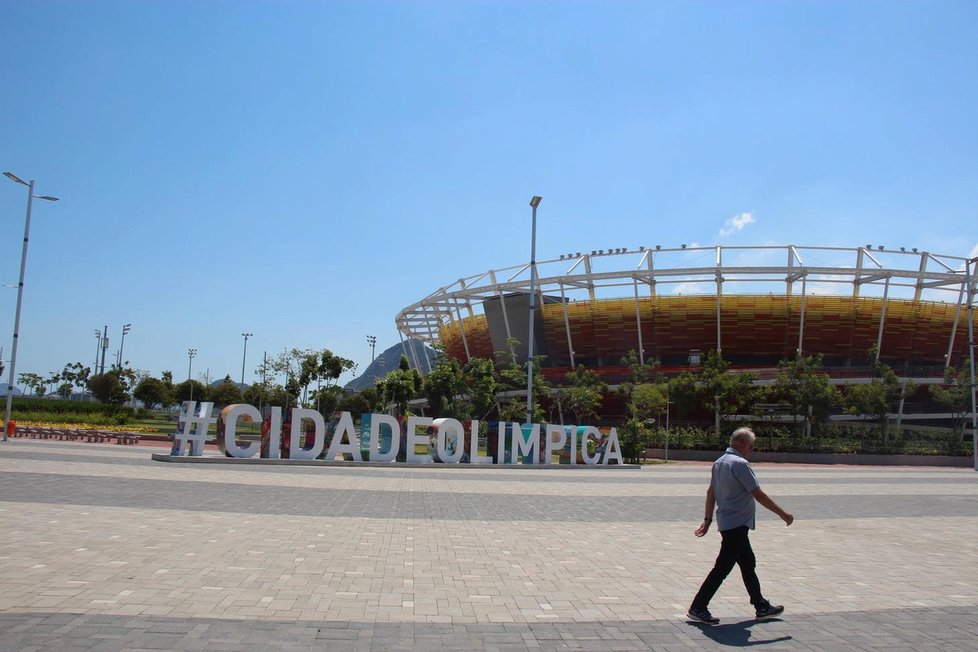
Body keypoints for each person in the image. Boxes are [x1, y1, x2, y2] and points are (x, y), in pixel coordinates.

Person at [687, 427, 794, 626]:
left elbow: (711, 492)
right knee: (722, 568)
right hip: (736, 525)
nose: (751, 451)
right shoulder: (740, 464)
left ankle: (761, 605)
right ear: (744, 445)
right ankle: (698, 607)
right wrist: (783, 514)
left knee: (747, 563)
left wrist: (708, 520)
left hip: (728, 523)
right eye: (752, 447)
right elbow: (758, 494)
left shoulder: (719, 463)